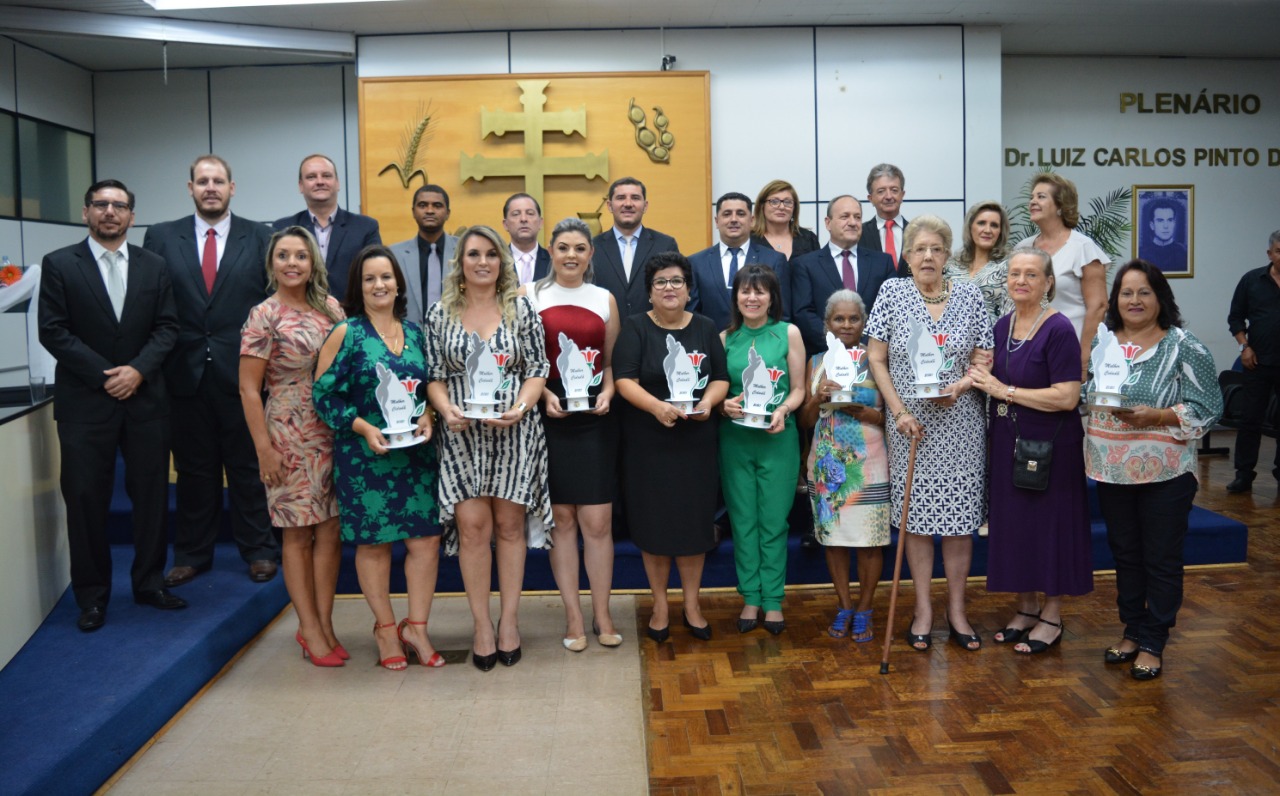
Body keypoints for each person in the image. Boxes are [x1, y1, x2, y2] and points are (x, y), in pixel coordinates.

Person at [38, 179, 184, 632]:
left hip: (145, 400)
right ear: (86, 212)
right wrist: (108, 375)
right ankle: (92, 596)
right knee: (85, 500)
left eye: (119, 205)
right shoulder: (60, 264)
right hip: (85, 403)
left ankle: (149, 583)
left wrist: (137, 371)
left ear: (131, 217)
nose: (109, 212)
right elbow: (54, 330)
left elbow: (167, 328)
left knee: (152, 497)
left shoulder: (154, 265)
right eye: (100, 204)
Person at [143, 154, 279, 587]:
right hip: (183, 374)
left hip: (243, 376)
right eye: (202, 181)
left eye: (218, 180)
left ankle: (259, 550)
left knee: (247, 467)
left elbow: (271, 303)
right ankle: (191, 555)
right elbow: (151, 301)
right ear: (190, 188)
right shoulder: (162, 237)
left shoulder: (259, 236)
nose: (210, 188)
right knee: (193, 471)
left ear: (232, 188)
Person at [1084, 260, 1222, 680]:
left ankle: (1154, 640)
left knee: (1160, 558)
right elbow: (1089, 395)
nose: (1135, 300)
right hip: (1111, 470)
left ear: (1161, 298)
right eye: (1126, 292)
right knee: (1125, 555)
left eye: (1145, 292)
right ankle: (1131, 629)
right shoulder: (1101, 344)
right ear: (1115, 300)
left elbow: (1209, 407)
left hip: (1165, 474)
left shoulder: (1184, 346)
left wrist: (1158, 416)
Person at [426, 225, 552, 671]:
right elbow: (435, 376)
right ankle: (481, 625)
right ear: (460, 262)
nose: (483, 262)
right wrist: (446, 411)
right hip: (462, 437)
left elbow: (538, 367)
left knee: (510, 528)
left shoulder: (522, 310)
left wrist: (521, 406)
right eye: (474, 254)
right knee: (474, 528)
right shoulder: (440, 313)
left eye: (491, 255)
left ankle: (510, 622)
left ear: (502, 261)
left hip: (514, 433)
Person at [314, 245, 444, 671]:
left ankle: (417, 628)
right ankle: (386, 628)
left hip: (414, 456)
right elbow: (323, 395)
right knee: (374, 545)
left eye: (386, 276)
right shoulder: (346, 333)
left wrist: (428, 413)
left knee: (425, 541)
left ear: (398, 282)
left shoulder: (417, 333)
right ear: (358, 286)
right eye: (369, 278)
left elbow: (431, 390)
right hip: (365, 457)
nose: (379, 285)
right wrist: (362, 427)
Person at [866, 215, 992, 652]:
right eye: (919, 248)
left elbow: (984, 356)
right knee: (915, 522)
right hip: (909, 426)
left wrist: (960, 386)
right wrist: (897, 411)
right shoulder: (892, 293)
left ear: (947, 255)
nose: (927, 256)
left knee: (959, 523)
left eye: (936, 249)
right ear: (905, 254)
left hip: (960, 424)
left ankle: (956, 610)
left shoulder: (970, 295)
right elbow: (876, 359)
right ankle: (923, 610)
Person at [967, 249, 1092, 654]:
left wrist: (1005, 392)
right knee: (1016, 528)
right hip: (1007, 440)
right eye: (1015, 273)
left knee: (1049, 528)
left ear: (1048, 282)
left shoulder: (1058, 329)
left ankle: (1052, 616)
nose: (1021, 280)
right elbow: (985, 376)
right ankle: (1025, 608)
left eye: (1031, 274)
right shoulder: (1001, 326)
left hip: (1051, 446)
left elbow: (1067, 396)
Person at [239, 227, 346, 666]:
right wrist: (264, 449)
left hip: (333, 429)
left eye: (300, 255)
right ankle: (308, 627)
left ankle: (324, 622)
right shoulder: (264, 315)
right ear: (272, 264)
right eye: (283, 255)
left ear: (312, 262)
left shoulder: (330, 307)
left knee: (331, 530)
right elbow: (248, 389)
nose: (292, 263)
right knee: (299, 531)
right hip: (287, 430)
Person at [613, 251, 729, 642]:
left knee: (693, 526)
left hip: (695, 442)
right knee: (655, 526)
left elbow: (721, 378)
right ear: (649, 292)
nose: (669, 288)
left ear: (689, 289)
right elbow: (624, 380)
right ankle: (660, 603)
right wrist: (656, 407)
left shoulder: (706, 326)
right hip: (649, 443)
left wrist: (709, 402)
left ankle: (692, 604)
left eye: (676, 281)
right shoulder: (634, 328)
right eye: (661, 282)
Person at [523, 218, 622, 650]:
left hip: (595, 418)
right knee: (561, 520)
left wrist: (609, 392)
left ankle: (602, 614)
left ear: (590, 254)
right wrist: (544, 392)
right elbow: (523, 361)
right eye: (563, 247)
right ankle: (572, 617)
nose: (570, 256)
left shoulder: (604, 298)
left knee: (597, 522)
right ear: (551, 250)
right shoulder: (530, 296)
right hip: (550, 416)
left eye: (579, 248)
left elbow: (614, 362)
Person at [718, 265, 805, 634]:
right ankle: (750, 597)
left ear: (772, 297)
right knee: (742, 521)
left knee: (773, 521)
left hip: (778, 437)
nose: (752, 298)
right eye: (745, 291)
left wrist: (784, 409)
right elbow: (718, 388)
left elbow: (800, 388)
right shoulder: (725, 338)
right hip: (735, 438)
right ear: (736, 296)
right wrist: (724, 403)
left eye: (760, 291)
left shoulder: (789, 333)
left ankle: (772, 600)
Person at [797, 290, 888, 643]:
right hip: (826, 465)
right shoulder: (816, 361)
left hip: (870, 464)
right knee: (833, 541)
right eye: (839, 318)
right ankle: (844, 605)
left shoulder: (877, 358)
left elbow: (889, 414)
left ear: (864, 324)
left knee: (870, 542)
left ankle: (865, 608)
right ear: (826, 325)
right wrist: (818, 398)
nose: (847, 324)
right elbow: (805, 421)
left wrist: (864, 412)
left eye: (853, 319)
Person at [1012, 172, 1110, 374]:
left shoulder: (1083, 247)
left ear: (1060, 206)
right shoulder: (1022, 248)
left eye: (1041, 197)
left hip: (1068, 351)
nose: (1032, 202)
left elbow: (1098, 306)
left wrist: (1084, 358)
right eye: (1032, 197)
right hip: (1028, 350)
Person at [791, 195, 897, 357]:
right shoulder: (805, 265)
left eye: (857, 217)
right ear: (828, 223)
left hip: (874, 358)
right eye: (845, 216)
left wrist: (865, 346)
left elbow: (891, 311)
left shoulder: (883, 263)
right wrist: (837, 345)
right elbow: (803, 314)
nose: (853, 222)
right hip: (825, 357)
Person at [273, 153, 382, 302]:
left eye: (326, 176)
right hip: (298, 318)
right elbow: (273, 279)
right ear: (301, 186)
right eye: (311, 177)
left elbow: (376, 275)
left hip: (352, 317)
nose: (319, 181)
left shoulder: (366, 228)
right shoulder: (282, 228)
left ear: (337, 183)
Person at [1225, 230, 1280, 493]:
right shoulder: (1251, 280)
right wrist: (1244, 346)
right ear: (1270, 254)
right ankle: (1244, 474)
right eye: (1279, 251)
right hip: (1257, 362)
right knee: (1250, 420)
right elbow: (1235, 318)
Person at [689, 192, 789, 330]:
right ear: (716, 221)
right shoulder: (696, 263)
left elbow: (781, 313)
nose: (734, 219)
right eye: (727, 214)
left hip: (760, 345)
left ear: (752, 220)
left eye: (741, 214)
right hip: (711, 345)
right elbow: (691, 313)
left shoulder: (774, 260)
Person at [591, 176, 681, 318]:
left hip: (653, 333)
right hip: (605, 334)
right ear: (609, 206)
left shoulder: (665, 245)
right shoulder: (592, 247)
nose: (628, 204)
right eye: (621, 198)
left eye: (635, 198)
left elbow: (677, 292)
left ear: (645, 206)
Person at [389, 184, 458, 325]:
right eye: (423, 205)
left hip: (456, 339)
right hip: (408, 338)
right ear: (414, 212)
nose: (430, 211)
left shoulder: (464, 251)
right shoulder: (393, 255)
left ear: (448, 213)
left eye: (437, 206)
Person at [944, 200, 1014, 325]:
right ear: (970, 227)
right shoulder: (952, 265)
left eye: (994, 225)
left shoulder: (1010, 266)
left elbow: (1012, 314)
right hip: (952, 340)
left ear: (1000, 231)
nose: (988, 230)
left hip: (994, 341)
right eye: (981, 223)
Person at [752, 179, 821, 263]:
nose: (781, 207)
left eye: (788, 202)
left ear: (794, 208)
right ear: (762, 206)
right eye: (774, 202)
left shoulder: (808, 239)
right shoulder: (749, 240)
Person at [859, 163, 910, 274]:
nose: (888, 196)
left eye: (894, 190)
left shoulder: (917, 233)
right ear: (870, 198)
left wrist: (944, 292)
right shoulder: (859, 234)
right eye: (881, 191)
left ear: (902, 195)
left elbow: (942, 275)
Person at [503, 192, 551, 286]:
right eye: (516, 214)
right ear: (505, 224)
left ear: (540, 223)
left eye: (530, 213)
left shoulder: (553, 262)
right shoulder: (498, 262)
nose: (523, 219)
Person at [1137, 199, 1189, 274]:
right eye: (1160, 220)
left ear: (1174, 223)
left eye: (1170, 220)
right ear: (1152, 225)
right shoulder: (1141, 254)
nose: (1166, 226)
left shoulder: (1184, 253)